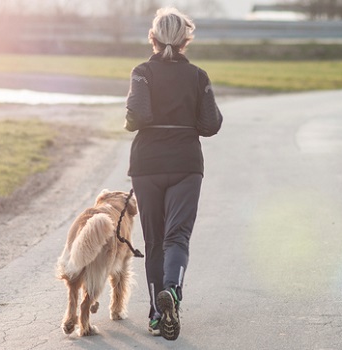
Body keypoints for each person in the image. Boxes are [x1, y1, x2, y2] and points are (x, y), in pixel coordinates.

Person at [124, 7, 223, 341]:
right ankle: (173, 292)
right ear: (186, 40)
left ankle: (155, 315)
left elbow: (138, 115)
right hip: (185, 164)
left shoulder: (141, 72)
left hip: (148, 164)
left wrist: (131, 119)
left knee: (153, 243)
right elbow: (211, 125)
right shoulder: (198, 76)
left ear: (152, 38)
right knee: (176, 238)